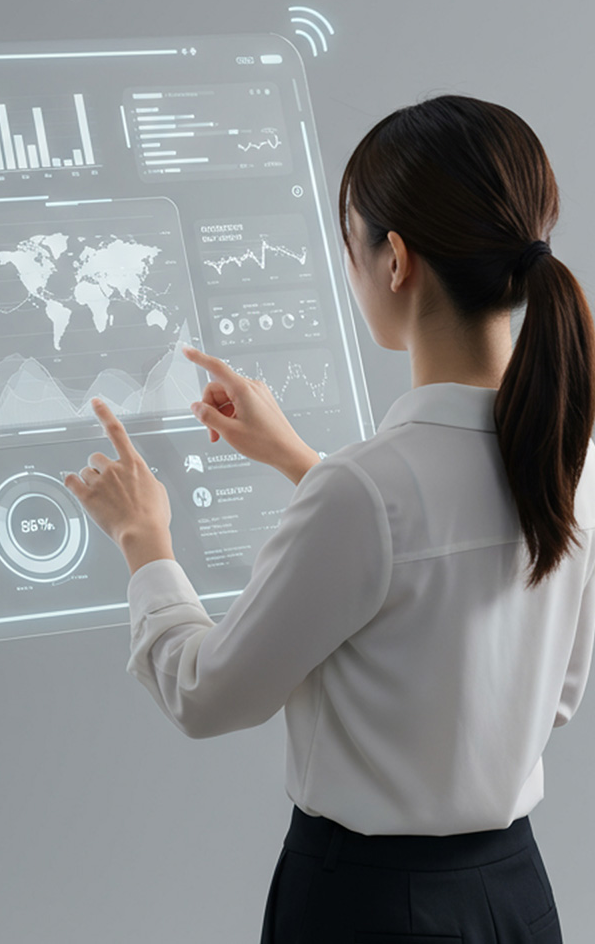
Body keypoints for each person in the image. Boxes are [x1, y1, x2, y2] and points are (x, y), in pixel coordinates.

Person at [64, 94, 595, 942]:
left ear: (395, 261)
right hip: (517, 897)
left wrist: (144, 538)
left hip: (368, 909)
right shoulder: (573, 455)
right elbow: (555, 694)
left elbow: (207, 694)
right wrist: (300, 463)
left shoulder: (365, 493)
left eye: (348, 241)